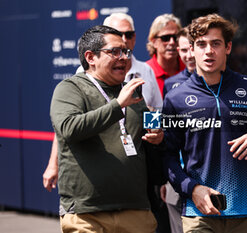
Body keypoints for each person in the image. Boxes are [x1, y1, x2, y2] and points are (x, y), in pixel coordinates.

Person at [162, 14, 247, 233]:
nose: (208, 51)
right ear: (192, 49)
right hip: (199, 212)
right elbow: (167, 156)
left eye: (216, 44)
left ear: (228, 47)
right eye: (201, 44)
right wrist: (191, 188)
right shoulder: (175, 98)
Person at [50, 25, 163, 233]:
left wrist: (158, 135)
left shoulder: (134, 92)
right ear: (90, 57)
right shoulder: (69, 88)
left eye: (125, 51)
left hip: (136, 210)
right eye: (114, 52)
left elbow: (153, 129)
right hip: (87, 213)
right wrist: (117, 105)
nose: (123, 57)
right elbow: (69, 128)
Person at [161, 26, 195, 233]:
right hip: (178, 176)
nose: (189, 55)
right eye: (183, 50)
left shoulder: (222, 83)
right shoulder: (171, 85)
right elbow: (170, 137)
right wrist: (168, 179)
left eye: (192, 48)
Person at [146, 13, 186, 97]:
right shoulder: (145, 72)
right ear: (154, 42)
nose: (172, 42)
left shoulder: (190, 68)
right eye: (166, 38)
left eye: (176, 37)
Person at [163, 26, 196, 96]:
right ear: (179, 51)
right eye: (184, 50)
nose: (190, 56)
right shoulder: (170, 84)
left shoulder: (217, 78)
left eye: (193, 49)